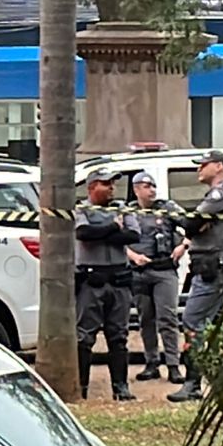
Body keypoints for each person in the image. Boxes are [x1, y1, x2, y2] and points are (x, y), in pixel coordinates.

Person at [169, 150, 223, 403]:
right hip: (211, 267)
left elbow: (191, 224)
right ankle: (216, 380)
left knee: (193, 321)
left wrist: (176, 214)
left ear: (219, 166)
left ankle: (192, 384)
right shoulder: (222, 194)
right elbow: (195, 226)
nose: (198, 169)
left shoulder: (221, 194)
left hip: (215, 268)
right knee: (210, 325)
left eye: (204, 165)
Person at [73, 167, 141, 401]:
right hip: (92, 281)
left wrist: (102, 233)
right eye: (106, 183)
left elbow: (133, 236)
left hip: (119, 280)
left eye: (113, 183)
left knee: (118, 337)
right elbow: (84, 233)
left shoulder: (122, 208)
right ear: (92, 187)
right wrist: (113, 228)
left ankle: (120, 387)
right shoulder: (82, 209)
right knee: (84, 337)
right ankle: (81, 387)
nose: (112, 188)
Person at [123, 171, 188, 385]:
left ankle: (173, 365)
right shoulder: (128, 212)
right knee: (145, 320)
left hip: (164, 270)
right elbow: (118, 241)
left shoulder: (167, 208)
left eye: (153, 186)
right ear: (136, 189)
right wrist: (133, 256)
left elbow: (193, 225)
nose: (151, 190)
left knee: (167, 319)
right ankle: (151, 363)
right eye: (146, 186)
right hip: (139, 272)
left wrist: (183, 246)